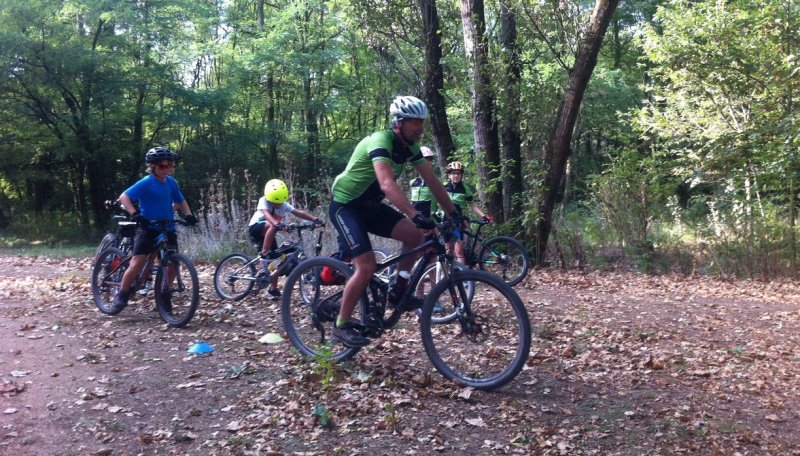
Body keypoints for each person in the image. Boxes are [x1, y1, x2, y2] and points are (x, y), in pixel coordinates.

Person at [328, 95, 458, 347]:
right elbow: (387, 184)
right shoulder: (380, 140)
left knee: (416, 237)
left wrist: (454, 213)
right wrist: (415, 214)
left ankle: (398, 291)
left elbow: (432, 181)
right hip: (346, 206)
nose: (420, 127)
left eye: (422, 122)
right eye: (414, 122)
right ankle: (341, 325)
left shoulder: (409, 147)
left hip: (371, 207)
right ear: (399, 122)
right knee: (366, 266)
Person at [112, 146, 199, 311]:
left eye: (170, 166)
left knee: (172, 263)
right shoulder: (146, 182)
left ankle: (164, 293)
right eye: (162, 166)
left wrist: (188, 215)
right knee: (137, 263)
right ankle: (122, 294)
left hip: (167, 226)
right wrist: (135, 214)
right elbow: (124, 197)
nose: (167, 169)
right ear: (153, 167)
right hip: (148, 227)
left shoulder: (172, 183)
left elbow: (180, 200)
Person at [247, 178, 324, 299]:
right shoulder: (263, 201)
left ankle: (273, 289)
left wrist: (315, 219)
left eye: (280, 203)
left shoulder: (283, 205)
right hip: (256, 229)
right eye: (275, 203)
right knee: (272, 226)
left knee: (276, 261)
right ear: (268, 198)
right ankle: (265, 252)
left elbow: (299, 213)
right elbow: (267, 215)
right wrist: (278, 224)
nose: (278, 205)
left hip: (270, 233)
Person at [444, 161, 492, 264]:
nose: (456, 175)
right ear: (449, 175)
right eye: (453, 173)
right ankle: (447, 276)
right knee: (447, 250)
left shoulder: (465, 188)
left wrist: (484, 216)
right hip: (446, 220)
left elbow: (472, 205)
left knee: (459, 251)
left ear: (461, 175)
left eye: (458, 173)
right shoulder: (443, 187)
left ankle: (463, 277)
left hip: (458, 222)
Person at [409, 146, 438, 219]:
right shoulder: (412, 182)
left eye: (429, 161)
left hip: (430, 218)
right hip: (415, 218)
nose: (427, 164)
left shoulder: (435, 182)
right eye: (424, 161)